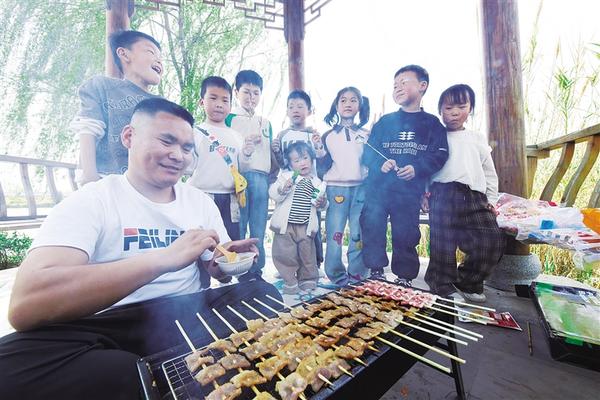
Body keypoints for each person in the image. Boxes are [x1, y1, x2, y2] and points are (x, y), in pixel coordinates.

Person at [0, 98, 273, 400]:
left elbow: (217, 270)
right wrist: (163, 259)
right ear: (129, 136)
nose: (177, 155)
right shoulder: (94, 199)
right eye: (166, 141)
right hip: (110, 323)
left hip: (187, 311)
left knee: (262, 292)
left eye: (187, 148)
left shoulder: (200, 202)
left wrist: (226, 261)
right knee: (8, 365)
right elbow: (26, 304)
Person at [360, 64, 449, 286]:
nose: (398, 88)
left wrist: (417, 168)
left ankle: (405, 276)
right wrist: (381, 163)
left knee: (406, 233)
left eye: (404, 82)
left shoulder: (432, 124)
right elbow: (368, 152)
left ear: (422, 86)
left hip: (408, 193)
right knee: (372, 226)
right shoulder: (385, 122)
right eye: (394, 85)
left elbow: (440, 154)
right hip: (377, 190)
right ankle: (376, 270)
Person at [423, 84, 505, 302]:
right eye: (449, 108)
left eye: (461, 107)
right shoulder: (434, 137)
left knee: (491, 240)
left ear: (470, 109)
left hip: (474, 196)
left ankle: (468, 282)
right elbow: (426, 168)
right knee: (442, 244)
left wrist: (492, 199)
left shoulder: (476, 138)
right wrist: (424, 194)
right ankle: (441, 285)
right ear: (440, 110)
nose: (454, 113)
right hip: (441, 195)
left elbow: (489, 171)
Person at [70, 30, 163, 185]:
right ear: (124, 54)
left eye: (161, 58)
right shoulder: (101, 86)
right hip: (105, 179)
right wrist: (90, 177)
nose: (159, 61)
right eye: (151, 52)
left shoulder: (162, 104)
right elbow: (88, 129)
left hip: (147, 184)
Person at [187, 76, 250, 285]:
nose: (219, 104)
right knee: (202, 243)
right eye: (213, 98)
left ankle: (227, 282)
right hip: (201, 197)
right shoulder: (195, 132)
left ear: (230, 105)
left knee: (229, 242)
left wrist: (247, 154)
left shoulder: (236, 137)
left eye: (225, 100)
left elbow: (242, 168)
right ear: (201, 102)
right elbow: (188, 166)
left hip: (230, 199)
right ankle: (202, 284)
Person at [318, 86, 371, 286]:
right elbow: (322, 167)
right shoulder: (327, 135)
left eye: (353, 100)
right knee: (335, 233)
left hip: (361, 189)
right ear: (336, 106)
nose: (348, 104)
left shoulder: (366, 134)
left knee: (358, 233)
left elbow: (371, 161)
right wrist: (320, 153)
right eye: (343, 100)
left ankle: (357, 275)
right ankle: (336, 275)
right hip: (335, 189)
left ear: (360, 106)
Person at [272, 90, 326, 274]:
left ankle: (314, 265)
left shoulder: (313, 134)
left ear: (309, 111)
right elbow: (281, 164)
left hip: (310, 187)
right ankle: (287, 267)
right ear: (287, 111)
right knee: (286, 229)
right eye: (291, 106)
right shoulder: (282, 135)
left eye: (300, 106)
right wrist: (276, 151)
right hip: (289, 188)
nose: (295, 110)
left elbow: (321, 158)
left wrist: (318, 145)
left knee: (312, 227)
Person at [225, 70, 274, 277]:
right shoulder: (229, 119)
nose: (251, 97)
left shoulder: (266, 122)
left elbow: (271, 155)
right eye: (246, 92)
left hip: (262, 178)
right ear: (236, 92)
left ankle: (256, 269)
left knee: (259, 226)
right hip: (239, 178)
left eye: (256, 93)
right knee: (240, 224)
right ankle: (240, 269)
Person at [269, 142, 328, 294]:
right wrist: (283, 189)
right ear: (290, 164)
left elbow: (322, 205)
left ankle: (307, 278)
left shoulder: (317, 182)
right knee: (284, 254)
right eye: (296, 160)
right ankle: (289, 280)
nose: (302, 163)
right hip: (286, 226)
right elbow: (273, 193)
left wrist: (322, 203)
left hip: (305, 226)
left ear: (312, 159)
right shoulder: (286, 177)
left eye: (305, 158)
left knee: (307, 254)